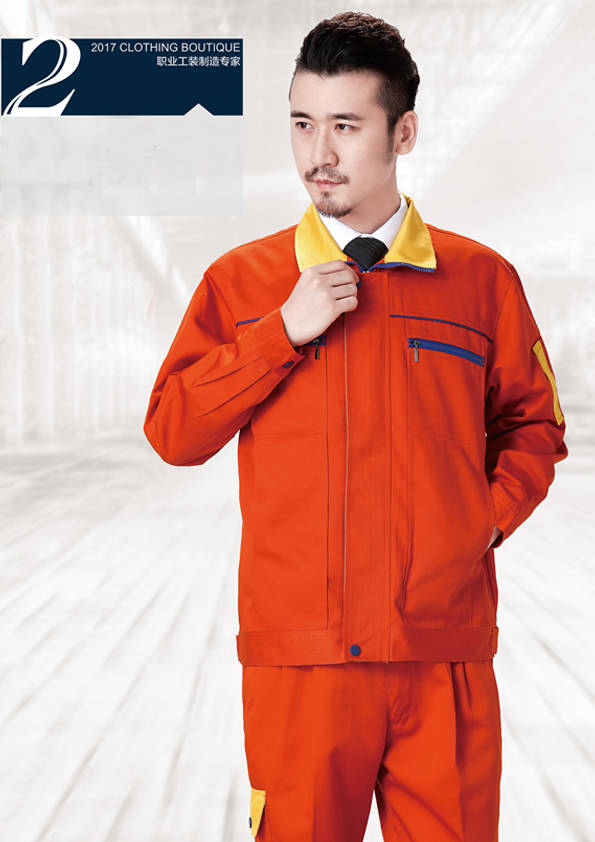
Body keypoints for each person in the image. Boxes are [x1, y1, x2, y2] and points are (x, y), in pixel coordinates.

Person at [143, 11, 568, 842]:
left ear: (402, 133)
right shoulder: (244, 282)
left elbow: (533, 424)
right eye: (302, 124)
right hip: (302, 662)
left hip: (439, 651)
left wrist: (480, 521)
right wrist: (278, 334)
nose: (318, 154)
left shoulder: (480, 281)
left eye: (344, 126)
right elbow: (173, 431)